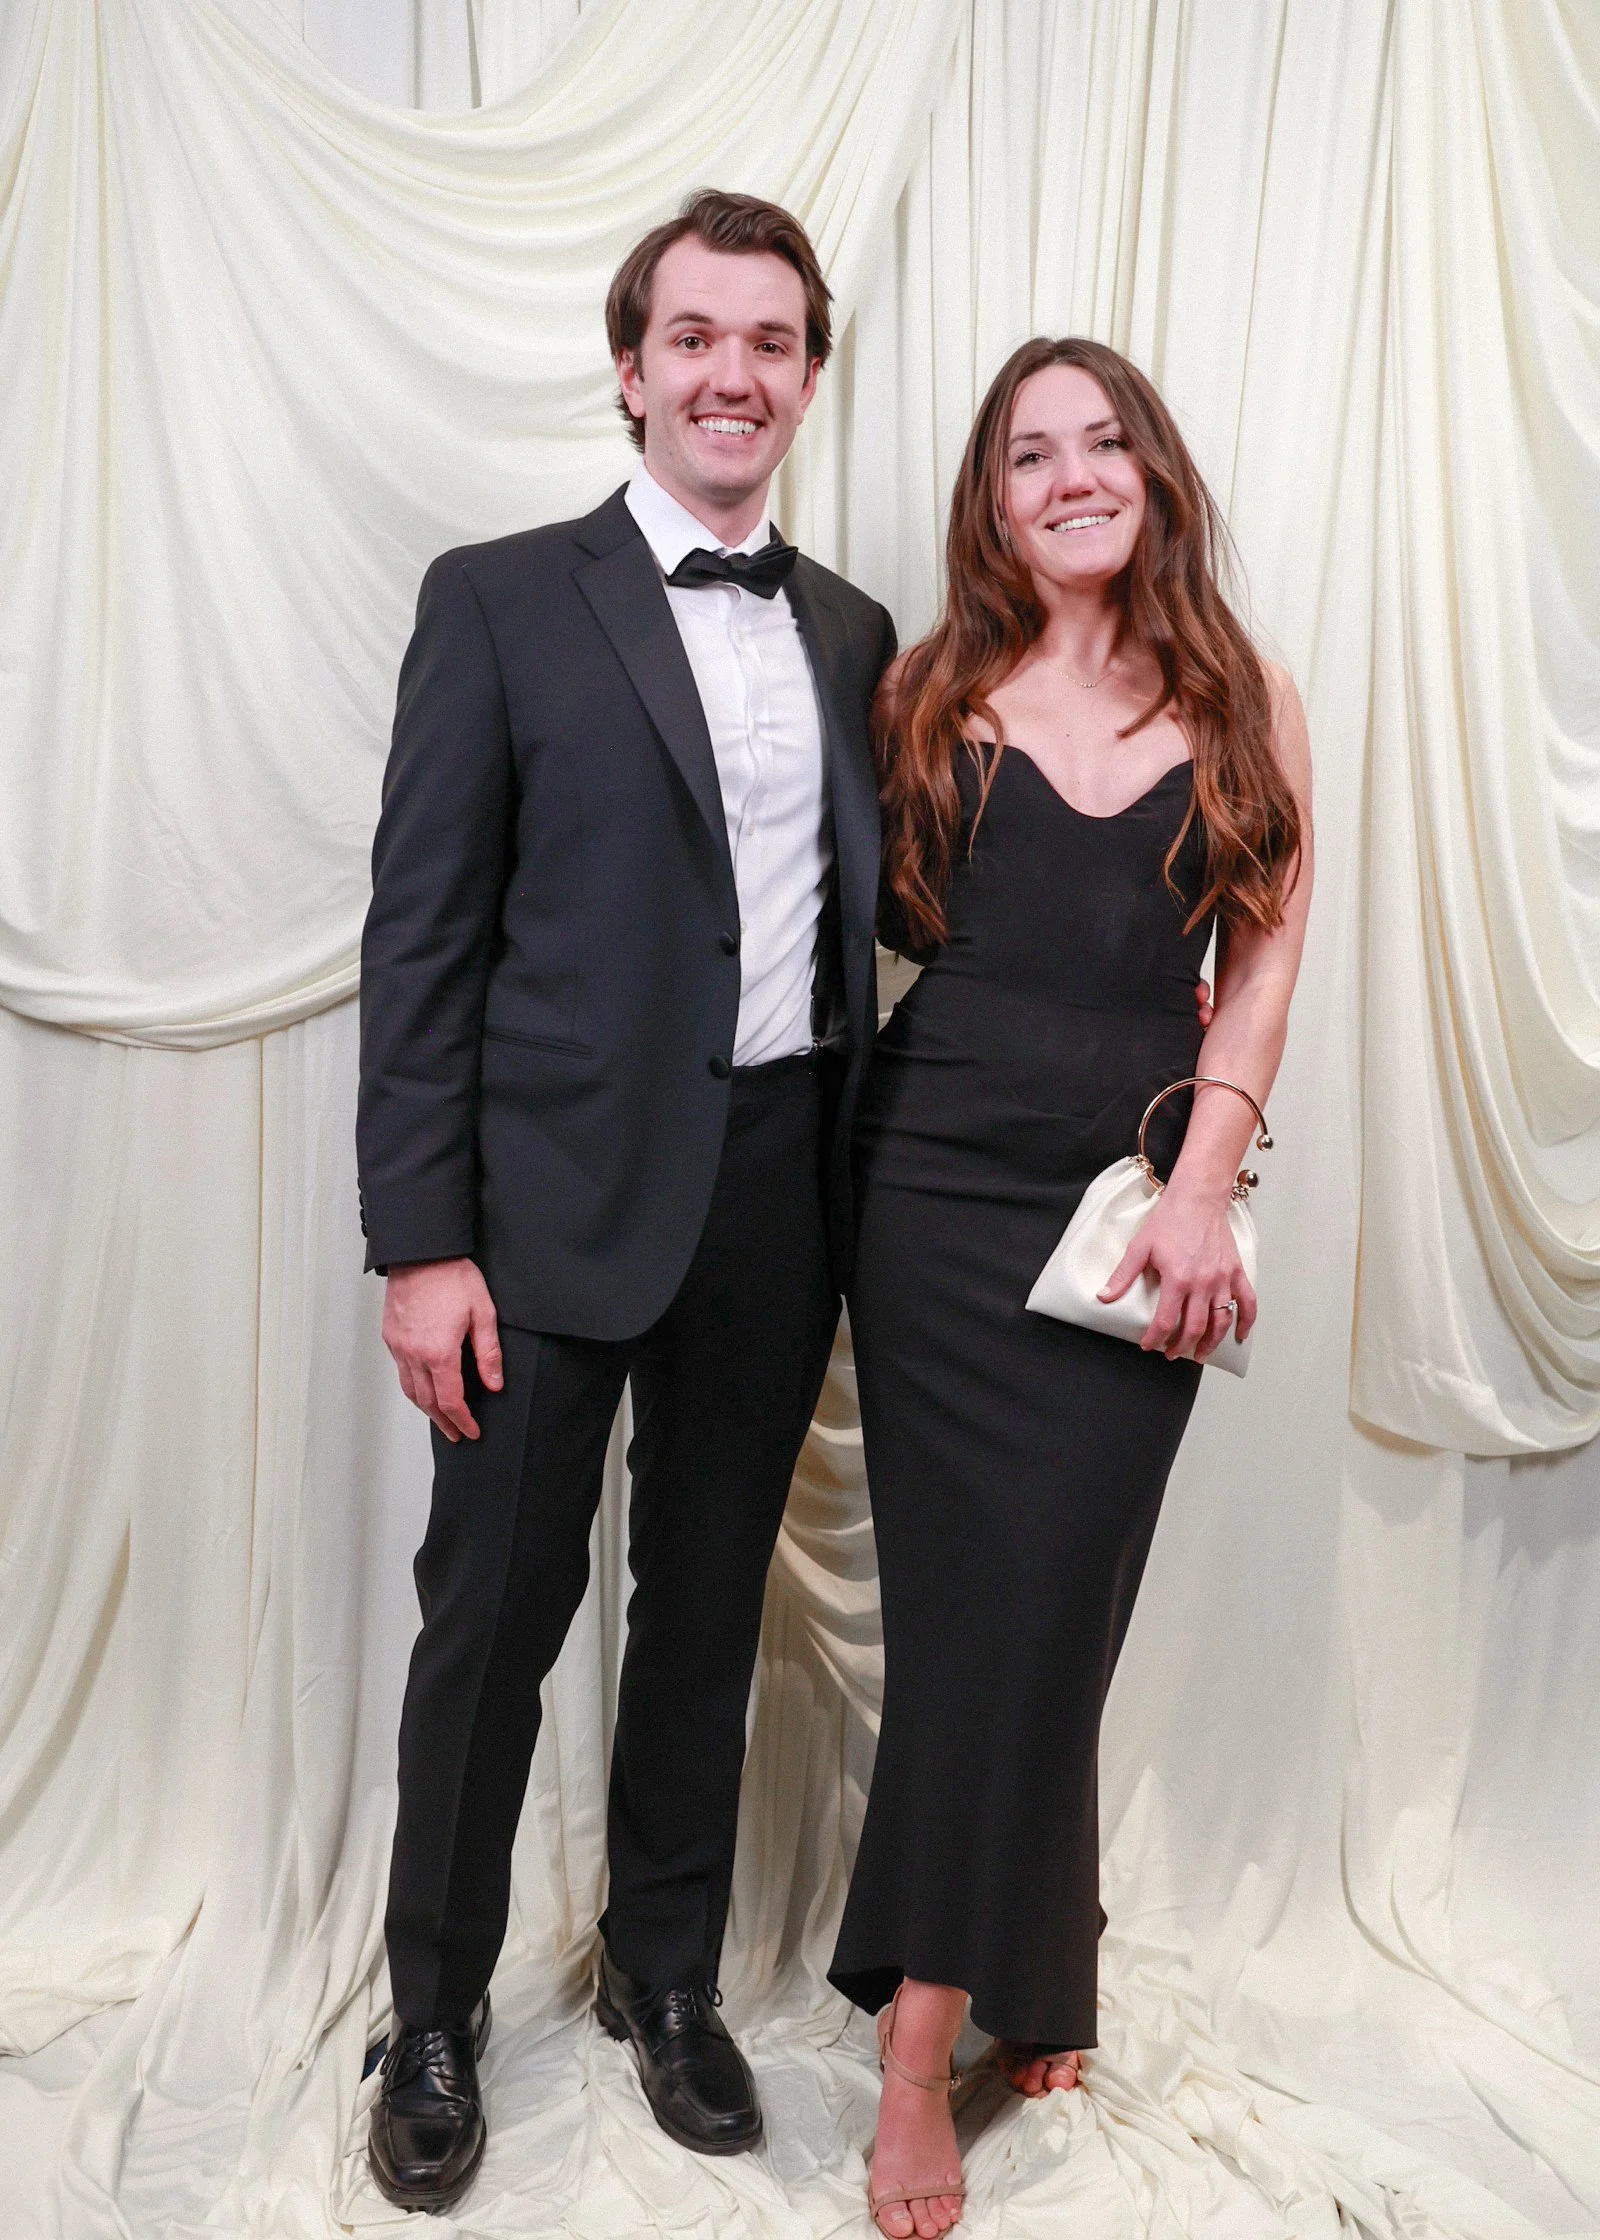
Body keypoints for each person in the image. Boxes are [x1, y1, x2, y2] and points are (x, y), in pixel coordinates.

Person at [355, 189, 896, 2214]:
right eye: (693, 337)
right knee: (487, 1625)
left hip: (775, 1199)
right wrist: (421, 1238)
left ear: (807, 376)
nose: (730, 373)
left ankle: (661, 1978)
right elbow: (422, 941)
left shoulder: (850, 630)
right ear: (630, 363)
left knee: (699, 1624)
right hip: (535, 1212)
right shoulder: (497, 600)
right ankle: (426, 2010)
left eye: (768, 341)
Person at [828, 336, 1313, 2238]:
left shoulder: (1251, 693)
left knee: (1054, 1604)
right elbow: (843, 930)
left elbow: (1263, 963)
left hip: (1127, 1207)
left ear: (1156, 473)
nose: (1072, 475)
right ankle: (965, 2016)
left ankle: (978, 1980)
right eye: (1032, 455)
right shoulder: (929, 694)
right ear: (995, 501)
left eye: (1104, 441)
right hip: (928, 1191)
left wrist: (1204, 1190)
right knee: (981, 1616)